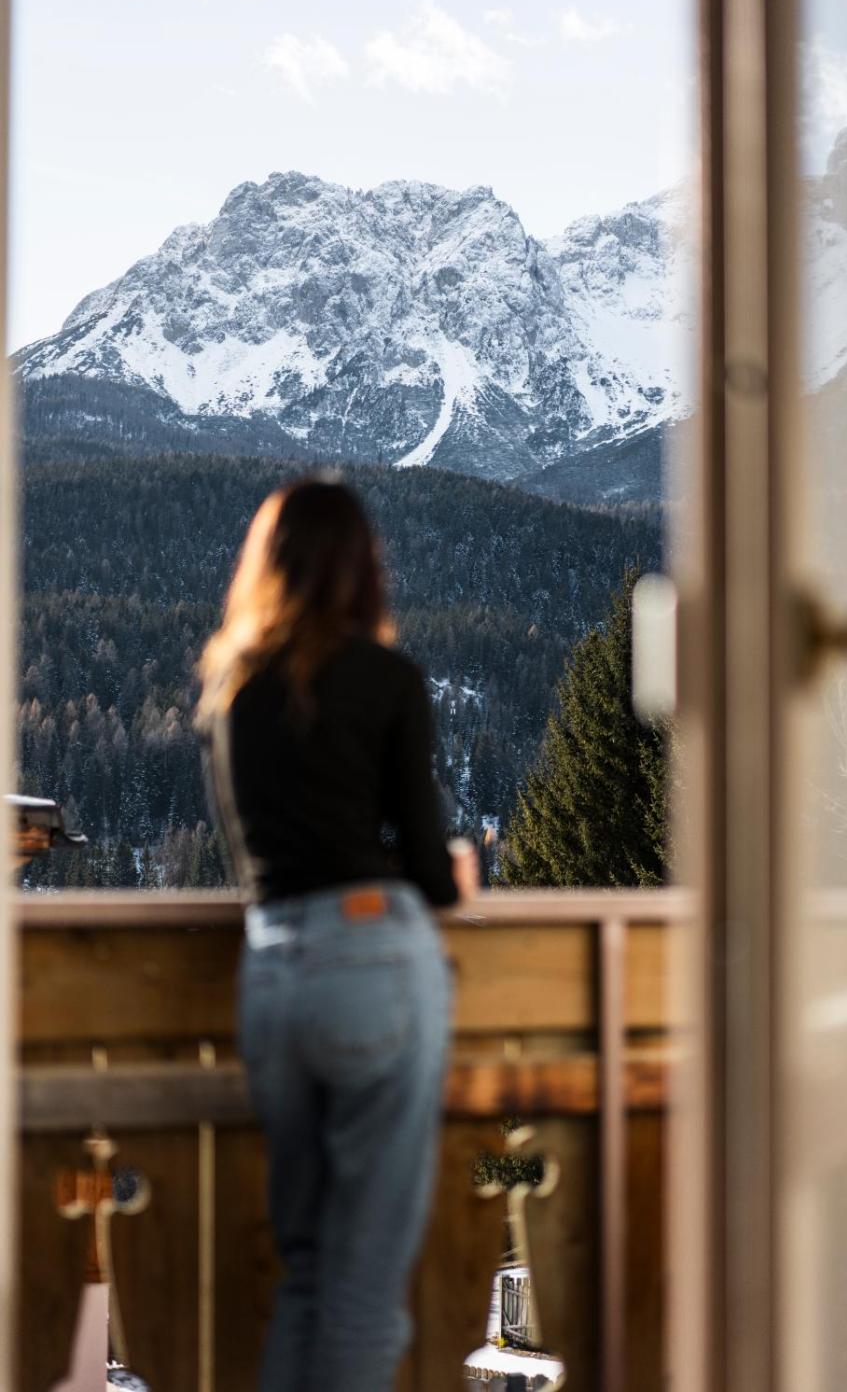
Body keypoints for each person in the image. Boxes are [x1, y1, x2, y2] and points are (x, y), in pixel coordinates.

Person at [197, 476, 478, 1392]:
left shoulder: (231, 689)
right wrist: (454, 869)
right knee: (364, 1294)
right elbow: (426, 870)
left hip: (273, 971)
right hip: (373, 967)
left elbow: (264, 856)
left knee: (310, 1273)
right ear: (363, 568)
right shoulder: (385, 677)